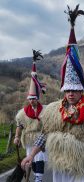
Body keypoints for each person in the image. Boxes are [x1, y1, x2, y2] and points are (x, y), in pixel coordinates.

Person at [21, 5, 84, 182]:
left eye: (74, 90)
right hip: (61, 164)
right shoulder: (54, 110)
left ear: (81, 89)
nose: (71, 93)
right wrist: (31, 156)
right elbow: (44, 136)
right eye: (67, 90)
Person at [14, 50, 47, 182]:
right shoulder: (23, 113)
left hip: (40, 137)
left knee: (40, 159)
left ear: (37, 98)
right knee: (31, 160)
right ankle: (33, 174)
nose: (32, 100)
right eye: (30, 98)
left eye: (34, 98)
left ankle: (38, 178)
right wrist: (16, 136)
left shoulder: (44, 110)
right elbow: (19, 126)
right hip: (28, 138)